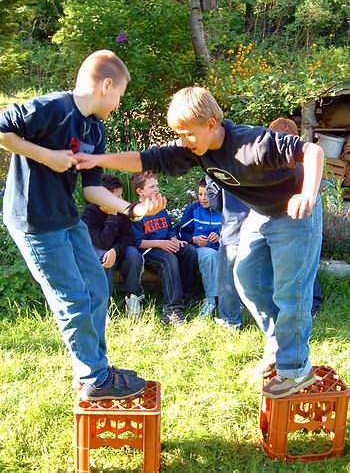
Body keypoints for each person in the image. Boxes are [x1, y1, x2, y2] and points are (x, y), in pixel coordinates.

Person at [75, 86, 324, 399]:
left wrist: (308, 195)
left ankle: (295, 368)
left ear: (210, 124)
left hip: (295, 211)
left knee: (291, 290)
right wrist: (96, 158)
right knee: (246, 280)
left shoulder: (252, 143)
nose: (183, 141)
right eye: (179, 134)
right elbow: (142, 159)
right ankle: (280, 346)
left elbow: (313, 152)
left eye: (187, 134)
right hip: (262, 214)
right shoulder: (194, 148)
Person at [0, 49, 166, 401]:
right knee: (72, 298)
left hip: (66, 217)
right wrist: (46, 156)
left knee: (96, 286)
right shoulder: (52, 108)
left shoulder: (95, 129)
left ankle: (96, 368)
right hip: (33, 220)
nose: (119, 105)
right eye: (119, 95)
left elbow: (92, 190)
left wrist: (132, 209)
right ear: (106, 85)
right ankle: (95, 376)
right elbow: (2, 130)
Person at [268, 117, 324, 317]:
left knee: (305, 265)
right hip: (282, 222)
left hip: (303, 221)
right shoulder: (274, 159)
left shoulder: (303, 162)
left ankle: (312, 305)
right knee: (297, 268)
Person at [130, 171, 199, 326]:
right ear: (139, 191)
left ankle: (190, 297)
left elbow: (169, 230)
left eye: (157, 185)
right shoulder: (136, 212)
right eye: (151, 186)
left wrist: (174, 240)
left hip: (165, 244)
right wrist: (161, 243)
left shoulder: (159, 207)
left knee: (188, 251)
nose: (156, 189)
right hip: (148, 251)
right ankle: (172, 310)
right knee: (169, 259)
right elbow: (136, 242)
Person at [82, 173, 144, 317]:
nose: (121, 201)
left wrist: (115, 250)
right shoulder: (89, 214)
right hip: (98, 254)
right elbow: (101, 242)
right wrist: (112, 216)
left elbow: (128, 238)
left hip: (119, 252)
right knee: (105, 257)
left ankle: (133, 297)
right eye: (117, 198)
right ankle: (104, 306)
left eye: (121, 196)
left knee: (133, 254)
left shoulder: (123, 211)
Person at [205, 178, 249, 329]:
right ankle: (273, 321)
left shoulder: (219, 163)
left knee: (227, 278)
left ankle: (231, 321)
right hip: (263, 223)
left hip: (234, 225)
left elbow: (214, 201)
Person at [178, 177, 222, 317]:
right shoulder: (194, 209)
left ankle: (232, 299)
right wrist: (194, 239)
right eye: (200, 194)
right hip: (201, 249)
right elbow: (179, 231)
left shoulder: (223, 209)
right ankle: (210, 300)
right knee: (209, 256)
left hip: (222, 247)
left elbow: (235, 229)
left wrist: (221, 237)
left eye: (208, 194)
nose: (203, 198)